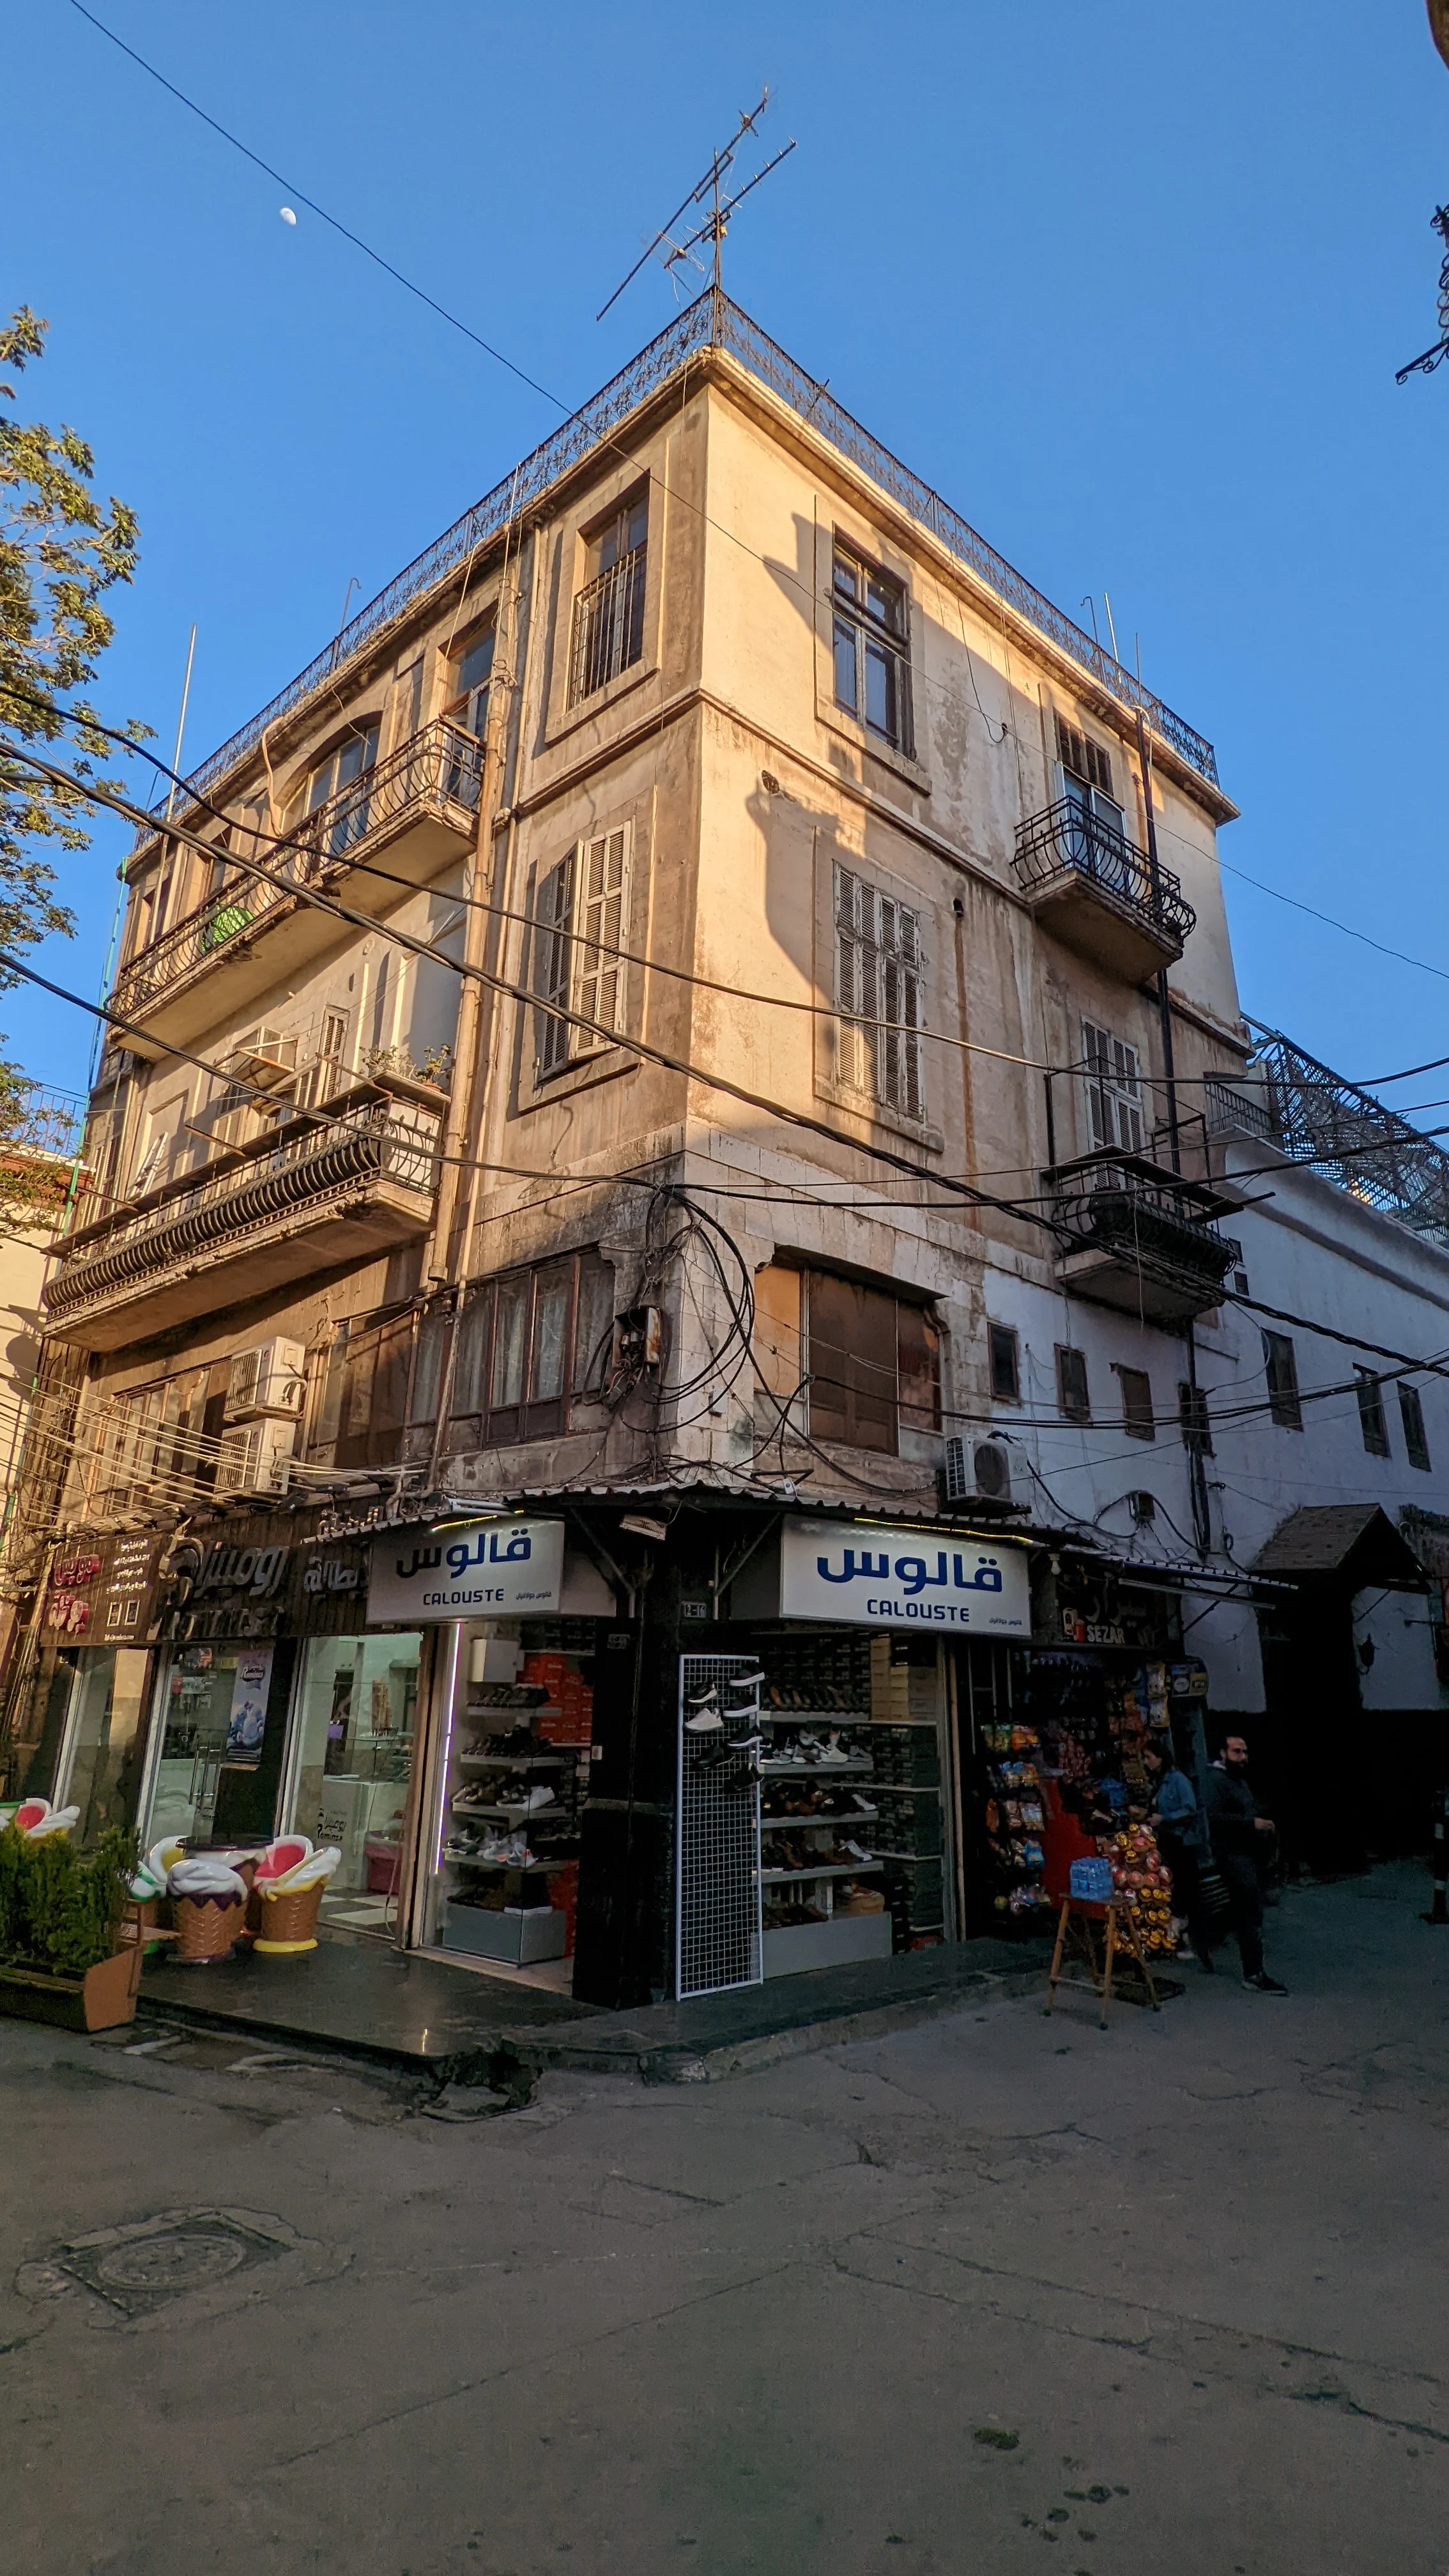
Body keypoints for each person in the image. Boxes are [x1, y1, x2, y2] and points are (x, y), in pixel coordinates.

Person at [1202, 1734, 1288, 1995]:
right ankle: (1253, 1973)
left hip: (1245, 1853)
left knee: (1240, 1909)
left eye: (1245, 1752)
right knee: (1250, 1912)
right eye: (1237, 1752)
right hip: (1232, 1855)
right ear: (1223, 1753)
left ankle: (1203, 1936)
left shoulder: (1236, 1779)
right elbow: (1215, 1818)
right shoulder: (1216, 1781)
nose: (1243, 1757)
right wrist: (1252, 1824)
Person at [1142, 1744, 1212, 1965]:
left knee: (1189, 1893)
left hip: (1183, 1843)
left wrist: (1165, 1818)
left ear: (1161, 1758)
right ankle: (1183, 1940)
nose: (1146, 1762)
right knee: (1177, 1892)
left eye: (1149, 1757)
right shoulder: (1160, 1783)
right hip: (1170, 1843)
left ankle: (1199, 1944)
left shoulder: (1178, 1780)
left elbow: (1190, 1808)